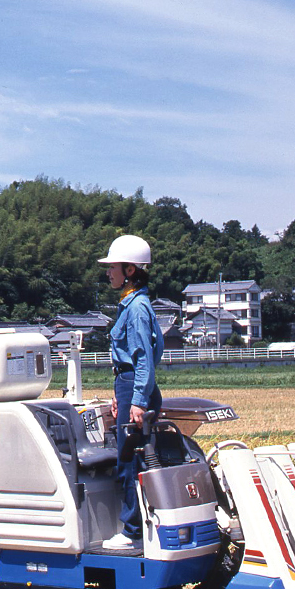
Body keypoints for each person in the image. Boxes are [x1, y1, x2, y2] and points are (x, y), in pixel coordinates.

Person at [98, 235, 163, 549]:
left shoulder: (136, 308)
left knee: (128, 460)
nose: (108, 272)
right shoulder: (135, 304)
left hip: (133, 387)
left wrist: (136, 400)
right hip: (128, 386)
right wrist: (120, 393)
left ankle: (132, 532)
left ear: (131, 270)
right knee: (134, 457)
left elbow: (142, 359)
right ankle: (136, 528)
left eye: (113, 267)